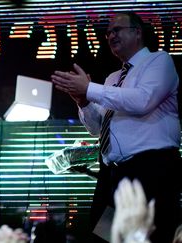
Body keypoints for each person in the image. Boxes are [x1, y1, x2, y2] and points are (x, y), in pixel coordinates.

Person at [51, 12, 181, 242]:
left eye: (117, 30)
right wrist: (83, 101)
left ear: (137, 32)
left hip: (150, 169)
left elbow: (142, 100)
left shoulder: (160, 61)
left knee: (149, 236)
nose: (110, 35)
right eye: (108, 32)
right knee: (104, 237)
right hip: (113, 174)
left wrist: (90, 88)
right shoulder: (112, 78)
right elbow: (96, 128)